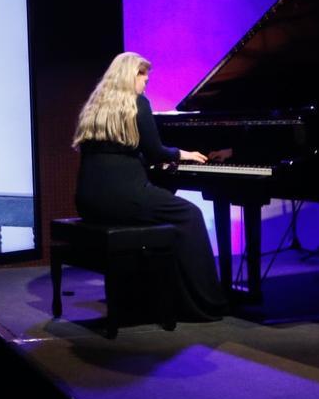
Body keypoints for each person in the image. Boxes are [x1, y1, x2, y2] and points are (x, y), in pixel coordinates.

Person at [72, 51, 227, 320]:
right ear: (128, 75)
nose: (146, 81)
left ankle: (151, 292)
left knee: (162, 209)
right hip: (124, 195)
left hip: (88, 199)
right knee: (189, 215)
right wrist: (182, 153)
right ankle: (205, 302)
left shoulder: (94, 107)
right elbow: (155, 151)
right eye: (142, 75)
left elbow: (123, 152)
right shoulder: (137, 103)